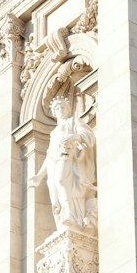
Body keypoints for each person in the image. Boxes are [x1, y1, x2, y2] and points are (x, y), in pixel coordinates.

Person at [32, 91, 97, 231]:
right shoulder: (54, 133)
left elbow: (86, 135)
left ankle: (70, 214)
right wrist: (39, 175)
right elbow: (49, 156)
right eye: (57, 108)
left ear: (68, 110)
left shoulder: (73, 122)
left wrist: (74, 137)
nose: (60, 110)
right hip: (54, 161)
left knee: (61, 181)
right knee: (57, 186)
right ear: (54, 113)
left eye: (62, 107)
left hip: (69, 157)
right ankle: (66, 214)